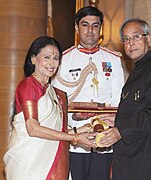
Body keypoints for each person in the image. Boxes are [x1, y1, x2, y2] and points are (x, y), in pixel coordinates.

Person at [98, 18, 151, 180]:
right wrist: (118, 119)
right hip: (136, 159)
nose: (131, 43)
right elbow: (139, 109)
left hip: (150, 160)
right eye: (126, 39)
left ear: (148, 39)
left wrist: (120, 131)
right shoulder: (139, 70)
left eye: (136, 37)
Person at [3, 36, 97, 180]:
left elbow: (53, 131)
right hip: (30, 163)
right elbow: (33, 129)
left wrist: (80, 129)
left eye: (56, 58)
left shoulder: (54, 92)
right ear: (33, 59)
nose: (51, 63)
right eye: (47, 57)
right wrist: (75, 137)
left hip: (51, 160)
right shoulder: (29, 85)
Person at [52, 6, 124, 180]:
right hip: (75, 140)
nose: (90, 30)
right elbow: (57, 102)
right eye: (85, 25)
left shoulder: (113, 60)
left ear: (101, 29)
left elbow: (119, 99)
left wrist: (112, 127)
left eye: (95, 25)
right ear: (77, 28)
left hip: (104, 139)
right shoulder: (63, 60)